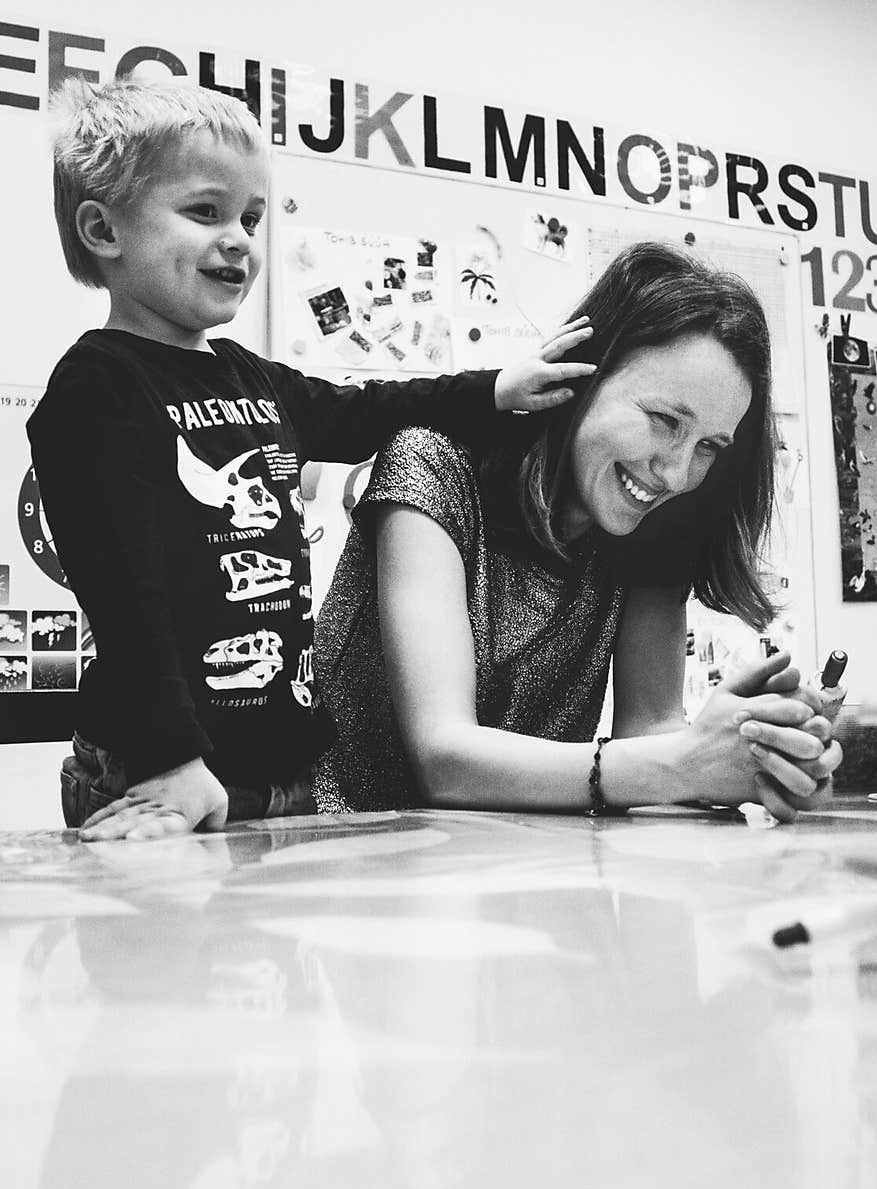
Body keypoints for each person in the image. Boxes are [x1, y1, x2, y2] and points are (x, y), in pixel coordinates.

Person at [27, 76, 594, 841]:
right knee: (164, 953)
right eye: (205, 212)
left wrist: (496, 389)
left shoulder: (252, 377)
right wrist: (172, 756)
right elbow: (124, 595)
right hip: (160, 767)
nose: (239, 239)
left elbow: (373, 411)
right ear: (103, 230)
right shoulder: (98, 387)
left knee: (273, 954)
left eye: (251, 217)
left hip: (279, 766)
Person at [314, 242, 842, 823]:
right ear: (584, 375)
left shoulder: (657, 529)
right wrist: (684, 764)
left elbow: (651, 730)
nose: (676, 472)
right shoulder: (432, 465)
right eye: (665, 420)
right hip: (345, 863)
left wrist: (761, 757)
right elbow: (444, 757)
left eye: (710, 447)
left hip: (532, 875)